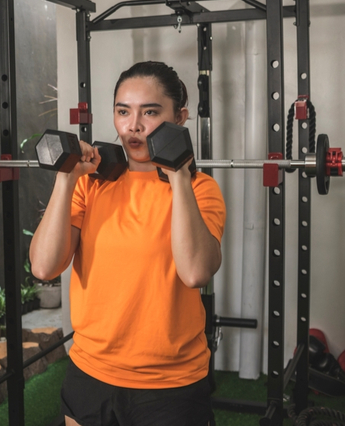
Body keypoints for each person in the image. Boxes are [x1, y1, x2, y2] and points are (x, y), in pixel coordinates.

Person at [29, 61, 226, 426]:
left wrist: (179, 177)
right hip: (91, 373)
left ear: (179, 118)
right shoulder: (90, 186)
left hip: (171, 385)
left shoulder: (201, 190)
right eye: (123, 112)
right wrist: (66, 180)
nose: (133, 126)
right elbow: (44, 266)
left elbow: (196, 271)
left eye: (149, 112)